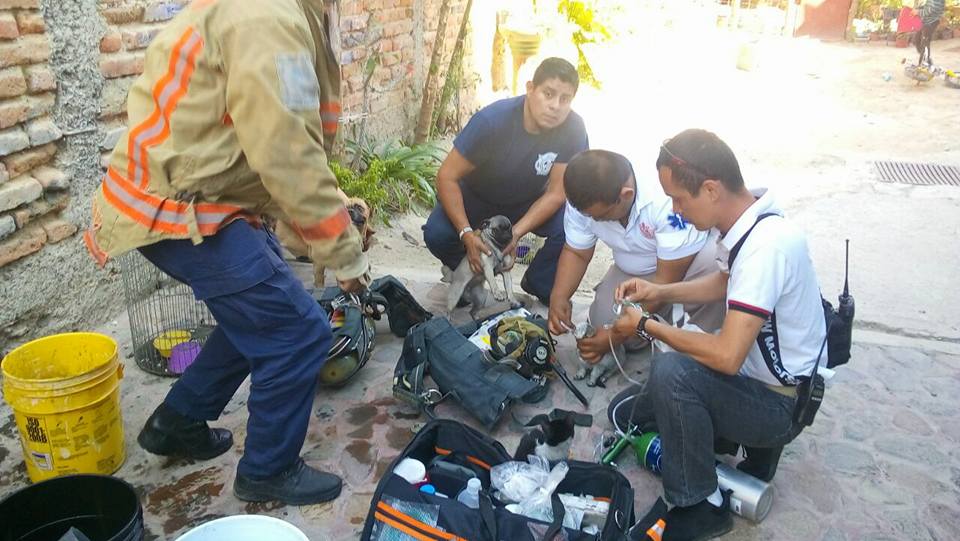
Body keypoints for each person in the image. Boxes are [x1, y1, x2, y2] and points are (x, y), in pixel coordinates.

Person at [83, 0, 366, 505]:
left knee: (256, 318)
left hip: (195, 199)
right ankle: (267, 471)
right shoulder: (267, 20)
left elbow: (281, 137)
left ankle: (177, 422)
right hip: (176, 210)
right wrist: (345, 256)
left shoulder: (280, 12)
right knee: (298, 333)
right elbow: (289, 155)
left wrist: (330, 216)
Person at [605, 130, 827, 540]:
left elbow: (725, 356)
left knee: (671, 373)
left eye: (679, 199)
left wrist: (644, 325)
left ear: (710, 189)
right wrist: (660, 291)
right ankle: (750, 453)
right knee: (628, 412)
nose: (675, 210)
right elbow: (724, 283)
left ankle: (701, 504)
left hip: (779, 408)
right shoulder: (751, 221)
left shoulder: (766, 249)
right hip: (767, 384)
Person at [422, 57, 589, 305]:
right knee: (437, 233)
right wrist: (467, 234)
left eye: (565, 99)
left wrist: (516, 234)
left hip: (528, 200)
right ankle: (470, 272)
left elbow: (556, 193)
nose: (555, 106)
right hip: (477, 198)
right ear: (530, 88)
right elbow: (447, 176)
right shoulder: (492, 121)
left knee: (575, 225)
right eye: (548, 94)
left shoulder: (573, 129)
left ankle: (540, 284)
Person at [547, 149, 724, 362]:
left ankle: (687, 323)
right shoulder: (584, 200)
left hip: (686, 268)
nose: (593, 220)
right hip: (635, 273)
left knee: (624, 335)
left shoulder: (665, 202)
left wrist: (615, 335)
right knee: (602, 328)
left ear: (626, 195)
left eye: (600, 216)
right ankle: (658, 324)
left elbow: (665, 282)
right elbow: (576, 252)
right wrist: (559, 297)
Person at [914, 0, 945, 66]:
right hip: (926, 21)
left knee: (924, 43)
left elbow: (930, 10)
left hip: (931, 22)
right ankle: (926, 59)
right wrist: (920, 8)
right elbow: (929, 7)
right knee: (916, 40)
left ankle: (923, 64)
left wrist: (918, 12)